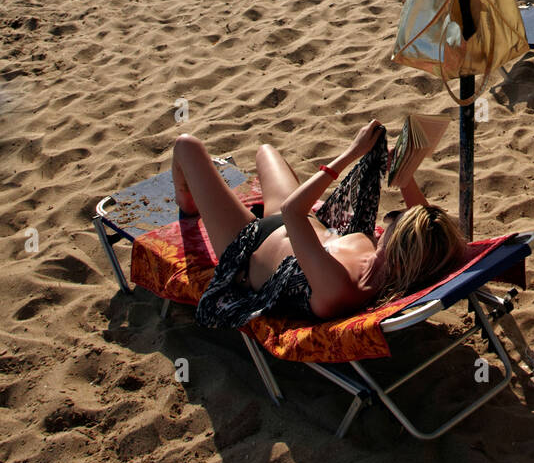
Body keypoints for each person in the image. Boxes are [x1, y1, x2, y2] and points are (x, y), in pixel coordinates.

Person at [170, 121, 466, 329]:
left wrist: (352, 153)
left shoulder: (341, 288)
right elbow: (430, 230)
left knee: (187, 145)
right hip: (302, 223)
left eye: (393, 220)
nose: (388, 220)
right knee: (266, 151)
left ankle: (188, 204)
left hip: (246, 247)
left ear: (401, 253)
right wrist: (404, 174)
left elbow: (291, 211)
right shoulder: (399, 263)